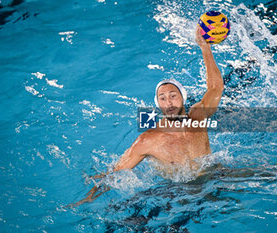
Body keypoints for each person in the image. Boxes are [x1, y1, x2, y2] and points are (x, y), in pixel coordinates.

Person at [72, 26, 224, 207]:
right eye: (163, 98)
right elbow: (114, 174)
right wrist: (87, 198)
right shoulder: (148, 140)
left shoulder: (199, 117)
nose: (168, 103)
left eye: (173, 96)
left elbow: (216, 88)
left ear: (183, 99)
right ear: (158, 104)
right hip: (178, 193)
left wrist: (205, 47)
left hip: (213, 176)